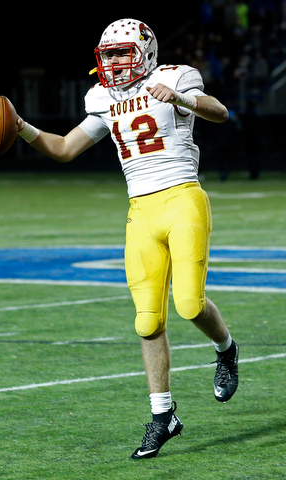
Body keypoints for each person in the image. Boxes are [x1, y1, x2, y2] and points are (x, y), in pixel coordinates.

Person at [16, 19, 239, 459]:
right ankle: (163, 416)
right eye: (108, 54)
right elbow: (63, 148)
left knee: (190, 304)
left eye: (122, 52)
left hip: (182, 200)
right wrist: (20, 126)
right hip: (140, 211)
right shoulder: (102, 98)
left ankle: (226, 349)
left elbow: (220, 112)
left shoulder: (172, 76)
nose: (114, 62)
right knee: (147, 322)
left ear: (146, 52)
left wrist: (180, 98)